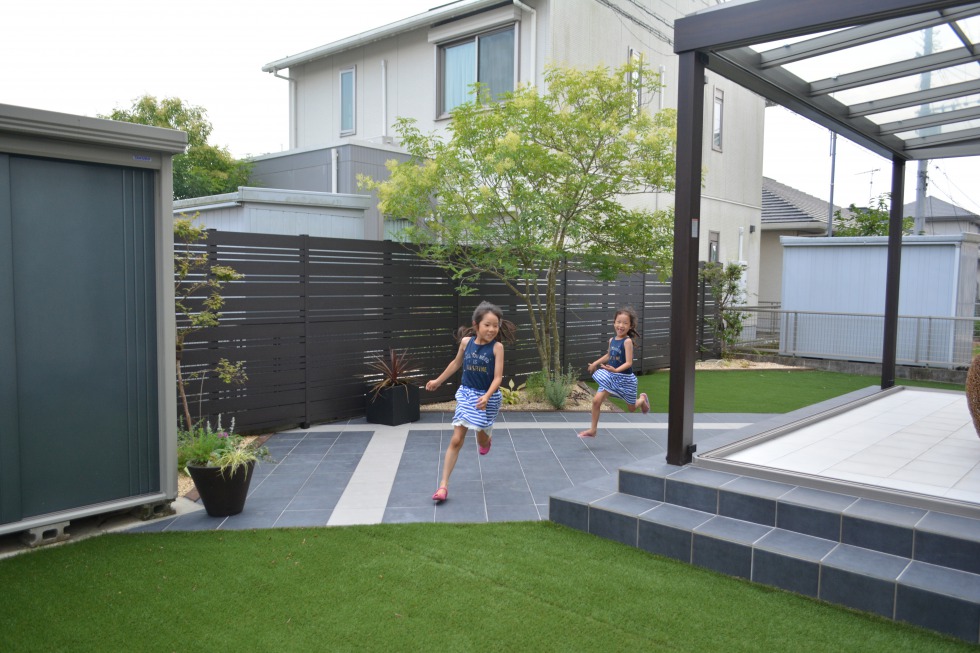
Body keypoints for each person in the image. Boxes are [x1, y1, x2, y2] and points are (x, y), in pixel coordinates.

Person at [425, 301, 517, 503]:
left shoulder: (497, 348)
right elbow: (456, 363)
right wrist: (438, 381)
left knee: (482, 439)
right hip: (467, 395)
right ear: (476, 325)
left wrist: (486, 396)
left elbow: (498, 378)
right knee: (457, 439)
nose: (492, 329)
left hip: (488, 398)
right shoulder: (466, 342)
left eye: (495, 325)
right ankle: (443, 486)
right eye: (487, 325)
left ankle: (486, 436)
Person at [578, 306, 649, 438]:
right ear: (614, 323)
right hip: (610, 377)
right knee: (596, 401)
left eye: (625, 323)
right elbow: (609, 355)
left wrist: (616, 369)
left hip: (625, 379)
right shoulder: (612, 340)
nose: (621, 325)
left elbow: (629, 363)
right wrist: (595, 363)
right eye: (618, 322)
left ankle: (642, 400)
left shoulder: (627, 341)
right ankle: (593, 430)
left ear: (630, 326)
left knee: (632, 408)